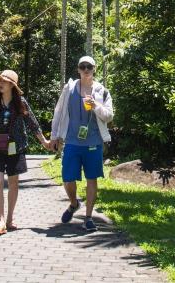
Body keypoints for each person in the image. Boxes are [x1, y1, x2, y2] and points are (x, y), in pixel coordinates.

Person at [0, 69, 51, 235]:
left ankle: (10, 218)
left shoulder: (21, 103)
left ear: (12, 85)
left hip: (16, 146)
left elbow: (32, 123)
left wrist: (45, 142)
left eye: (4, 81)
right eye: (0, 81)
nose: (1, 84)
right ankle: (1, 220)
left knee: (13, 182)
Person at [50, 55, 113, 232]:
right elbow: (59, 112)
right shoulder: (69, 89)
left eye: (89, 67)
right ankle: (73, 203)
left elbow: (109, 116)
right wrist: (55, 136)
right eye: (83, 66)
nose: (86, 70)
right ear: (78, 69)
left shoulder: (102, 91)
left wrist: (95, 106)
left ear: (94, 70)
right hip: (71, 141)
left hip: (93, 142)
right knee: (68, 178)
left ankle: (88, 217)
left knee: (91, 179)